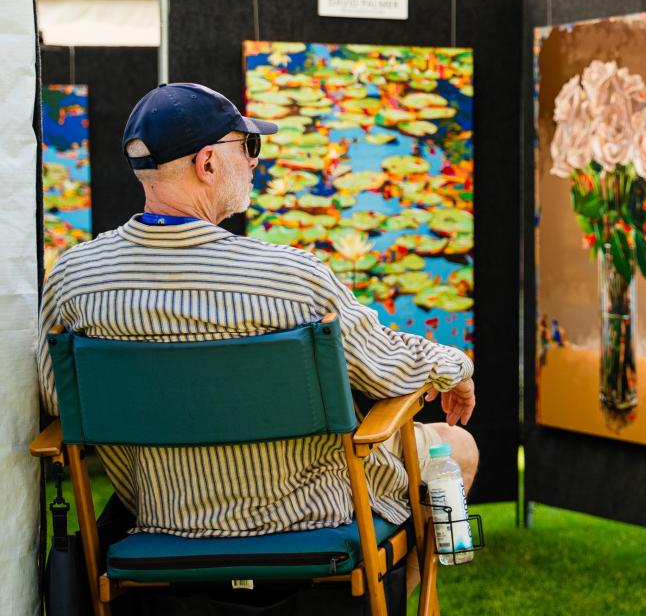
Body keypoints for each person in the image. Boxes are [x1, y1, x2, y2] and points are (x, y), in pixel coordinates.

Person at [35, 82, 477, 589]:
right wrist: (457, 368)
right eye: (247, 147)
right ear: (207, 164)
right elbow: (387, 366)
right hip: (317, 515)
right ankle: (388, 595)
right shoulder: (291, 277)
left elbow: (55, 395)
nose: (253, 162)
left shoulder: (75, 278)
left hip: (164, 516)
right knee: (456, 447)